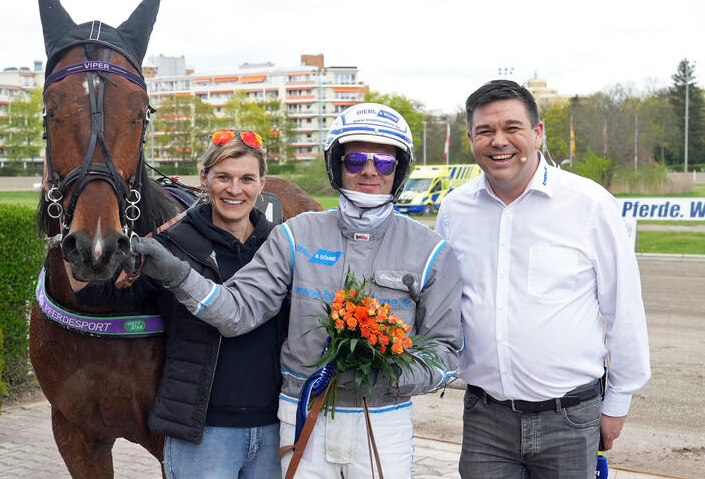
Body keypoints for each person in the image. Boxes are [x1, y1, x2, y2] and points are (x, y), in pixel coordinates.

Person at [132, 102, 464, 479]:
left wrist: (390, 375)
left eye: (384, 163)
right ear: (337, 164)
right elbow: (238, 312)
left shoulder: (432, 251)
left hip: (383, 419)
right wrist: (177, 275)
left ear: (399, 170)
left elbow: (447, 353)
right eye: (355, 160)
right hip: (303, 415)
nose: (369, 170)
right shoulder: (295, 234)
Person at [434, 80, 651, 478]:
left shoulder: (589, 205)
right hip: (485, 419)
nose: (499, 141)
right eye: (486, 131)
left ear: (538, 133)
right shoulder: (453, 210)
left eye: (512, 128)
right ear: (470, 139)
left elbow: (624, 309)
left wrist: (618, 402)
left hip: (569, 418)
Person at [72, 130, 285, 478]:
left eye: (247, 178)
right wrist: (78, 230)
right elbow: (96, 295)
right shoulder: (172, 246)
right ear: (204, 178)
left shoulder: (281, 243)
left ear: (262, 182)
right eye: (223, 177)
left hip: (274, 429)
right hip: (202, 436)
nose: (235, 189)